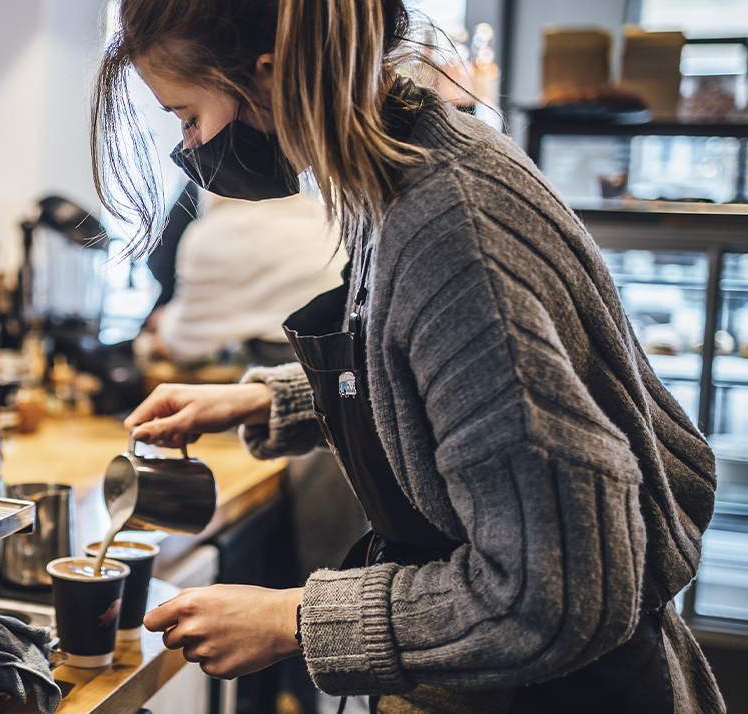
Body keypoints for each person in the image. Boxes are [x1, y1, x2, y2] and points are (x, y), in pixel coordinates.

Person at [89, 1, 724, 713]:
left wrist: (292, 619)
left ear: (268, 77)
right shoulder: (406, 155)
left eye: (187, 115)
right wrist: (277, 399)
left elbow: (551, 594)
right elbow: (433, 369)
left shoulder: (455, 230)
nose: (191, 145)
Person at [151, 190, 346, 366]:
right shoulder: (327, 217)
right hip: (344, 369)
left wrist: (162, 323)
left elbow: (183, 344)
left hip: (289, 376)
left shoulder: (211, 235)